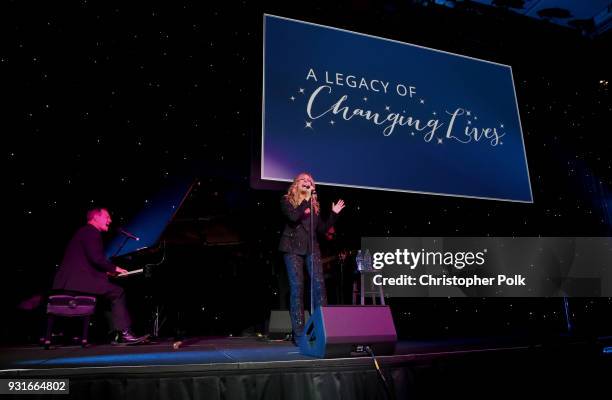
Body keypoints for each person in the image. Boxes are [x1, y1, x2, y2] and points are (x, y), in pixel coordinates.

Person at [52, 207, 147, 344]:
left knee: (108, 295)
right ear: (95, 217)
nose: (110, 220)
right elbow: (96, 259)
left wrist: (107, 272)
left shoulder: (84, 232)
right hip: (77, 282)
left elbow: (86, 261)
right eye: (107, 217)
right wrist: (114, 268)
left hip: (70, 281)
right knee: (118, 292)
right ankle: (124, 333)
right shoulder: (91, 232)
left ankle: (114, 334)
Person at [279, 173, 346, 345]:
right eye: (303, 180)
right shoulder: (287, 200)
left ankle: (321, 329)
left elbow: (322, 229)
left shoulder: (314, 206)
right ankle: (299, 333)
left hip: (312, 248)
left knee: (319, 285)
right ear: (295, 185)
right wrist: (305, 201)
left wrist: (333, 214)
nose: (307, 182)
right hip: (292, 247)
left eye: (310, 181)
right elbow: (293, 217)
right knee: (298, 287)